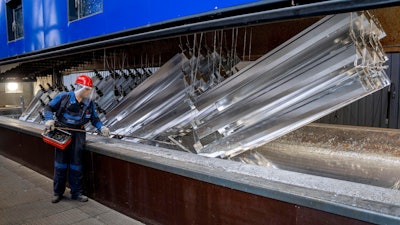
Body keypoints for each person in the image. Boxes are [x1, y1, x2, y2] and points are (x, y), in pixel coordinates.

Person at [44, 75, 110, 203]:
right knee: (60, 164)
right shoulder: (64, 97)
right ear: (79, 87)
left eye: (90, 89)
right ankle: (58, 192)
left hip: (78, 133)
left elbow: (94, 119)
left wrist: (101, 127)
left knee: (76, 164)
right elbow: (48, 107)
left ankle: (76, 193)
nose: (88, 91)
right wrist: (49, 120)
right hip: (62, 132)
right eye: (87, 89)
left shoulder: (88, 103)